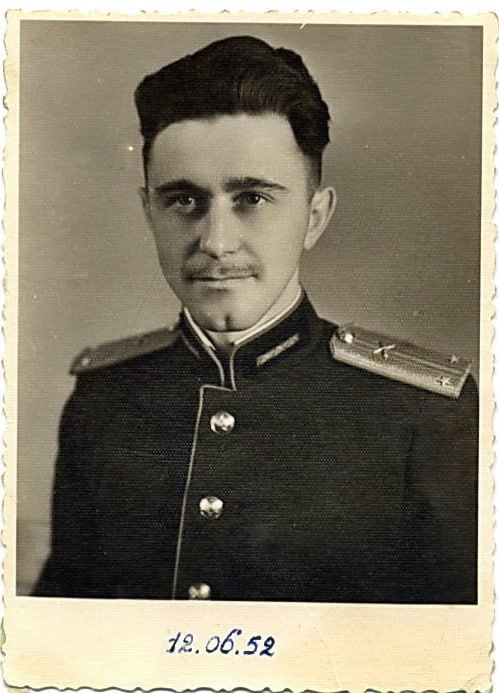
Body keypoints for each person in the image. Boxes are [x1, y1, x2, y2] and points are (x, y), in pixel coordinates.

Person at [33, 35, 478, 603]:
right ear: (149, 213)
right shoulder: (103, 400)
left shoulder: (424, 415)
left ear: (314, 218)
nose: (216, 242)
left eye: (252, 199)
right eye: (183, 200)